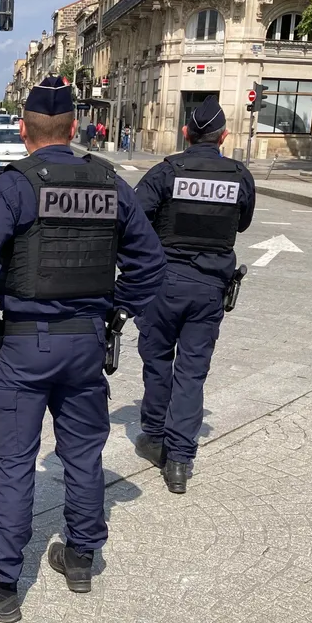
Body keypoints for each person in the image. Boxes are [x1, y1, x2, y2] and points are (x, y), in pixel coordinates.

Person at [0, 76, 166, 622]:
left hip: (26, 345)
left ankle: (0, 582)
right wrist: (114, 312)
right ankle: (82, 556)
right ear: (75, 127)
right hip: (86, 344)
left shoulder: (15, 186)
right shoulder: (109, 184)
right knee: (83, 453)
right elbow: (150, 264)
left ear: (24, 131)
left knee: (15, 462)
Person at [132, 95, 256, 494]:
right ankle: (180, 463)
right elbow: (245, 222)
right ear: (224, 136)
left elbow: (133, 219)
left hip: (162, 284)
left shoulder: (166, 172)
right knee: (191, 373)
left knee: (157, 361)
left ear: (186, 132)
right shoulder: (239, 175)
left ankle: (153, 437)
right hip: (208, 290)